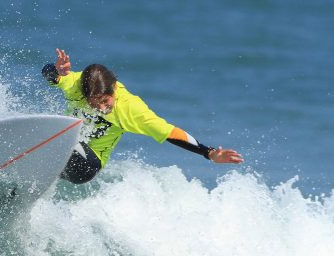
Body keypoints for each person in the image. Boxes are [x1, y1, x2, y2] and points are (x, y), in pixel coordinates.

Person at [42, 49, 243, 184]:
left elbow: (170, 132)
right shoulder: (76, 85)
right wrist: (57, 70)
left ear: (113, 90)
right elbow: (49, 74)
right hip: (64, 150)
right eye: (96, 103)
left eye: (106, 101)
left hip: (87, 165)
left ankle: (41, 162)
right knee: (59, 141)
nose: (102, 108)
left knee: (61, 142)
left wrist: (209, 153)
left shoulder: (130, 109)